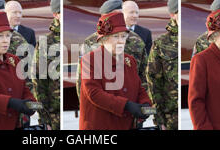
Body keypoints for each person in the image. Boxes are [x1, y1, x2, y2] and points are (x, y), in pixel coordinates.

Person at [79, 12, 152, 130]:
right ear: (104, 39)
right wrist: (126, 105)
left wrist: (145, 103)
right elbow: (94, 93)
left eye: (123, 36)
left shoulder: (130, 60)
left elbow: (139, 88)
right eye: (116, 36)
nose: (121, 41)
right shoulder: (91, 60)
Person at [76, 0, 147, 99]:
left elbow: (144, 75)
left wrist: (144, 102)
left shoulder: (136, 40)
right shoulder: (90, 42)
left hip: (131, 104)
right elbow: (82, 81)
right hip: (102, 103)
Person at [145, 0, 178, 130]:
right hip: (171, 119)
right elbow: (153, 83)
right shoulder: (161, 43)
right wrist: (158, 120)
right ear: (173, 15)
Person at [31, 0, 60, 130]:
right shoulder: (45, 43)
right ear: (56, 14)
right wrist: (44, 118)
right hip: (54, 118)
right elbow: (38, 84)